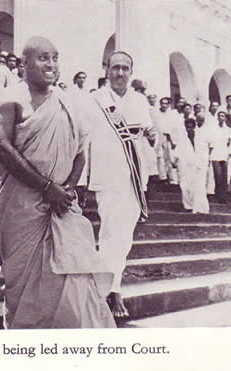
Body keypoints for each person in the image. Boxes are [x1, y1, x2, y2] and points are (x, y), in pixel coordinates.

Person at [0, 36, 115, 329]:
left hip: (61, 208)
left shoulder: (67, 102)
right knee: (25, 288)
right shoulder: (9, 99)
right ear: (23, 64)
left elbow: (80, 152)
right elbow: (1, 147)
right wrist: (48, 188)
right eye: (43, 57)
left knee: (72, 285)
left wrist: (68, 189)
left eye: (55, 57)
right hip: (22, 208)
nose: (51, 64)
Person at [88, 51, 156, 318]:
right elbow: (85, 139)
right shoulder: (96, 100)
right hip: (108, 177)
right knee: (110, 234)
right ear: (106, 70)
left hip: (135, 178)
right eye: (115, 68)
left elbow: (150, 135)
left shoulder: (139, 101)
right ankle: (112, 291)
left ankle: (108, 286)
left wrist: (152, 135)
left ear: (131, 71)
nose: (119, 73)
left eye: (124, 68)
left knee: (124, 238)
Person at [210, 111, 231, 203]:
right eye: (219, 116)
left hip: (224, 155)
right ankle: (217, 195)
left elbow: (230, 142)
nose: (221, 117)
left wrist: (228, 155)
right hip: (215, 154)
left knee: (224, 177)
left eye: (223, 116)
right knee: (217, 176)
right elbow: (211, 143)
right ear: (217, 118)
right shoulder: (213, 128)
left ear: (225, 118)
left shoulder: (228, 129)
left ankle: (223, 198)